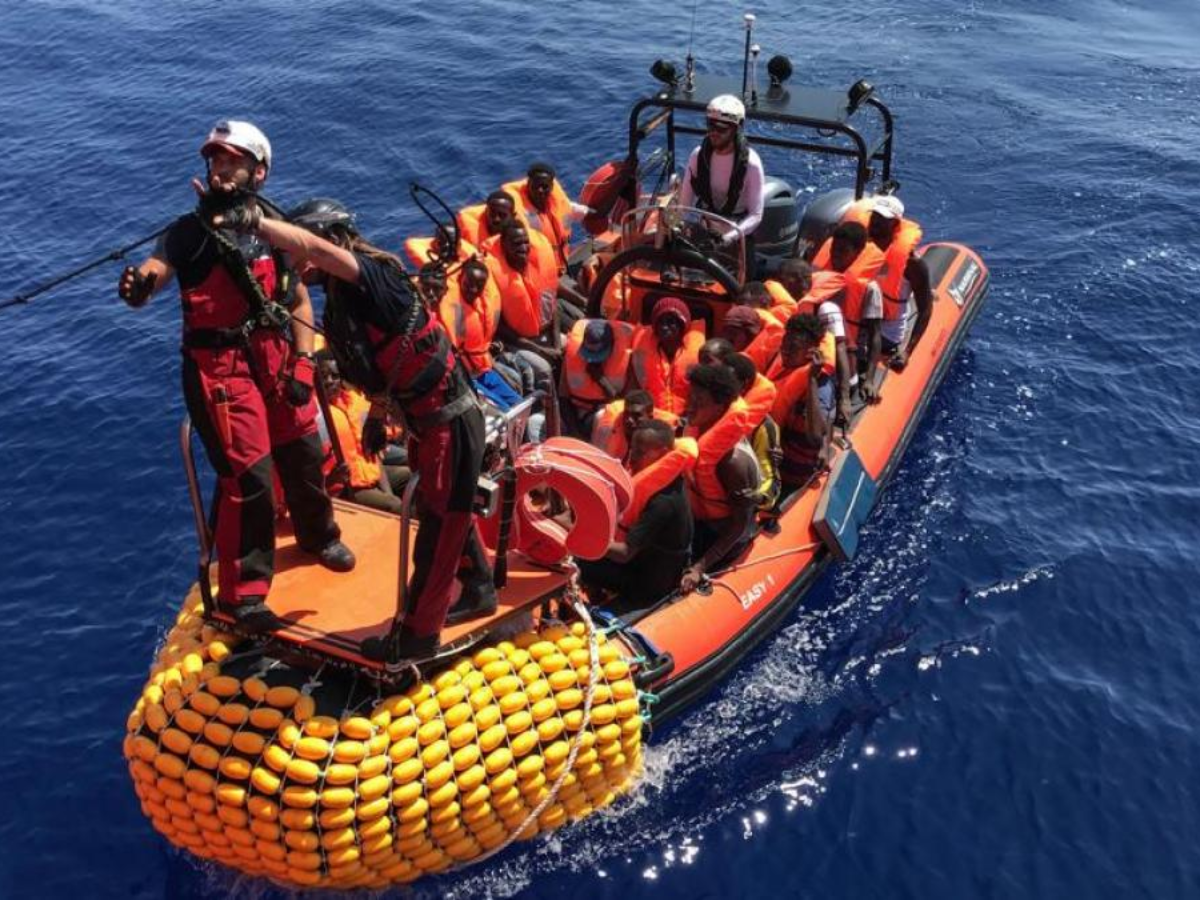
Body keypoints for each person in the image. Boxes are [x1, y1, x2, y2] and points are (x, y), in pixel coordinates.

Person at [226, 196, 497, 659]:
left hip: (450, 418)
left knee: (438, 530)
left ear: (328, 243)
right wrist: (377, 412)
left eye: (304, 251)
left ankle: (417, 635)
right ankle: (476, 583)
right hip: (424, 419)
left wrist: (259, 224)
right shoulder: (341, 303)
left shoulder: (375, 278)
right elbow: (387, 357)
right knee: (441, 509)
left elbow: (324, 254)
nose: (297, 265)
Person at [117, 120, 353, 635]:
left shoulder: (273, 226)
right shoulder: (186, 234)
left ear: (258, 171)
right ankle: (244, 596)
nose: (221, 168)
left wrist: (305, 361)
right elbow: (154, 276)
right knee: (249, 477)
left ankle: (319, 535)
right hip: (220, 371)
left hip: (275, 357)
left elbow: (294, 299)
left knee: (305, 451)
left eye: (233, 160)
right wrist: (137, 287)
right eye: (216, 160)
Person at [577, 420, 695, 615]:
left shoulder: (663, 502)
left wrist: (579, 534)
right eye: (633, 450)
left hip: (647, 581)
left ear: (664, 453)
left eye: (640, 452)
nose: (632, 459)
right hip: (642, 562)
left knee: (576, 559)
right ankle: (595, 593)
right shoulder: (666, 481)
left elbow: (624, 554)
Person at [679, 364, 761, 592]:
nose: (689, 406)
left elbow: (740, 525)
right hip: (699, 521)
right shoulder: (695, 431)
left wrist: (699, 567)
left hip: (724, 535)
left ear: (720, 406)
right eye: (690, 397)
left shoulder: (733, 463)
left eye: (699, 402)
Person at [677, 94, 766, 273]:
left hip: (736, 236)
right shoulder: (697, 156)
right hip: (704, 232)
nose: (714, 133)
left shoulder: (751, 164)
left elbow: (756, 215)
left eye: (721, 129)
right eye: (710, 126)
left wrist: (728, 238)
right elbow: (684, 205)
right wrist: (678, 226)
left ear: (737, 129)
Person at [316, 353, 409, 514]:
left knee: (410, 477)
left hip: (370, 474)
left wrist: (387, 492)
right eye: (323, 376)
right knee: (395, 505)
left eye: (335, 376)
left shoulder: (356, 403)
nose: (330, 381)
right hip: (346, 488)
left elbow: (374, 454)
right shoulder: (314, 415)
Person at [483, 220, 565, 396]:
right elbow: (501, 329)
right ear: (504, 246)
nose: (523, 247)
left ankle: (569, 396)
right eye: (516, 243)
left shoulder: (538, 266)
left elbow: (553, 307)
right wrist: (542, 350)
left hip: (546, 335)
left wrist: (557, 344)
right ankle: (548, 408)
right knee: (544, 369)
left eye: (525, 242)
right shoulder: (495, 279)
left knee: (573, 346)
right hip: (518, 343)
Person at [766, 258, 852, 422]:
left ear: (801, 282)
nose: (781, 287)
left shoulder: (825, 309)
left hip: (826, 372)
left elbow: (840, 350)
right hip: (795, 363)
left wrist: (845, 399)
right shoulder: (789, 306)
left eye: (785, 281)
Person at [768, 313, 836, 491]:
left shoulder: (820, 385)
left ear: (811, 352)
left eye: (793, 347)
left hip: (794, 474)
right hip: (772, 462)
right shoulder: (784, 369)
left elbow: (815, 437)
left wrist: (812, 380)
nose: (785, 350)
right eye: (785, 343)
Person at [865, 196, 933, 369]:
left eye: (882, 219)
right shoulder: (863, 246)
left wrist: (907, 351)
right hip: (859, 319)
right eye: (874, 216)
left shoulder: (912, 264)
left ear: (895, 225)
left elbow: (925, 309)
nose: (875, 222)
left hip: (886, 332)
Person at [821, 222, 885, 402]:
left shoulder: (870, 289)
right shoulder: (821, 276)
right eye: (833, 248)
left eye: (842, 250)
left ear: (857, 253)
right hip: (823, 346)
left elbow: (875, 336)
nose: (835, 254)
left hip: (852, 354)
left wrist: (870, 380)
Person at [503, 162, 590, 271]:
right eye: (536, 186)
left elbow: (572, 210)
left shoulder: (559, 205)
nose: (540, 190)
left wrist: (593, 213)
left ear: (551, 187)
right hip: (540, 270)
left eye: (544, 187)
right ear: (528, 184)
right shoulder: (518, 215)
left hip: (563, 263)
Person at [629, 296, 705, 417]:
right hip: (650, 419)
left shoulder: (702, 354)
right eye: (660, 322)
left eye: (671, 322)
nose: (664, 327)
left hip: (687, 420)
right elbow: (632, 390)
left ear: (682, 326)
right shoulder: (640, 350)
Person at [560, 319, 636, 438]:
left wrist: (601, 380)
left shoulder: (626, 358)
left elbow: (625, 403)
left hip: (605, 413)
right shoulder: (571, 354)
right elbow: (563, 396)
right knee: (537, 422)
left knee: (600, 419)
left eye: (598, 356)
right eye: (588, 354)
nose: (591, 360)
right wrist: (574, 431)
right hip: (575, 413)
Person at [727, 353, 783, 513]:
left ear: (743, 385)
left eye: (728, 381)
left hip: (738, 510)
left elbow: (771, 482)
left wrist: (757, 498)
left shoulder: (764, 427)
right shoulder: (708, 409)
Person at [590, 389, 676, 465]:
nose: (629, 420)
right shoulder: (607, 426)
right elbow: (599, 462)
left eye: (636, 415)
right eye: (626, 414)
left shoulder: (663, 435)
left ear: (650, 417)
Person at [718, 302, 783, 374]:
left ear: (750, 335)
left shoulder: (756, 362)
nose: (727, 337)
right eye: (725, 330)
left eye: (733, 333)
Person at [457, 189, 522, 248]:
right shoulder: (466, 224)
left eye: (502, 215)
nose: (496, 219)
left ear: (513, 216)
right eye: (492, 214)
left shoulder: (521, 238)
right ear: (486, 212)